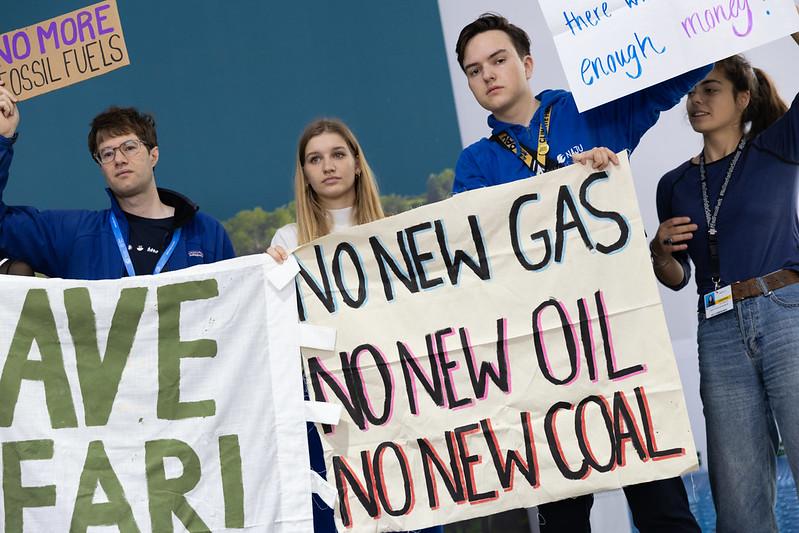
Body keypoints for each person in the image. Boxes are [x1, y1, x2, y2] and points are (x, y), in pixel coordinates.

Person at [453, 13, 709, 533]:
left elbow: (676, 72)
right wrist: (566, 182)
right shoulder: (474, 163)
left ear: (526, 63)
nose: (488, 75)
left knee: (663, 507)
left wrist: (705, 23)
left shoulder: (589, 109)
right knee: (565, 519)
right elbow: (480, 249)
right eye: (474, 70)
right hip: (544, 358)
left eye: (498, 60)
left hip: (620, 339)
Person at [651, 28, 799, 533]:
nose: (696, 100)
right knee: (736, 497)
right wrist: (658, 252)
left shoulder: (778, 146)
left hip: (787, 313)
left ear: (742, 98)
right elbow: (675, 278)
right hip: (717, 332)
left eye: (709, 88)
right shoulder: (671, 184)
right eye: (691, 91)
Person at [267, 118, 443, 533]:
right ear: (305, 174)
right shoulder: (289, 241)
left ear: (358, 164)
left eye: (338, 154)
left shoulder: (395, 231)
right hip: (332, 409)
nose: (328, 166)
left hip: (400, 399)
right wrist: (271, 278)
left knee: (414, 510)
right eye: (315, 159)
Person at [0, 84, 234, 279]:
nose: (119, 160)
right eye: (107, 154)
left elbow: (238, 309)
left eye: (129, 148)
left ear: (153, 155)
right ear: (101, 166)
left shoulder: (206, 232)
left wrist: (271, 268)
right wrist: (2, 137)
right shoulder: (74, 234)